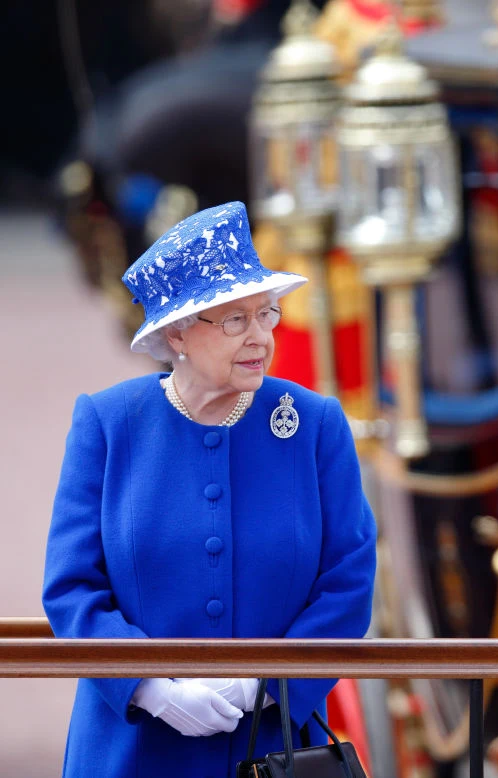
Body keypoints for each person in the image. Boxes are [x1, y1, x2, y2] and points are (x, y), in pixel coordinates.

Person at [42, 201, 377, 777]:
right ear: (177, 332)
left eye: (266, 314)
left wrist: (265, 685)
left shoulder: (315, 424)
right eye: (234, 320)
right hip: (132, 750)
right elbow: (72, 589)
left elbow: (348, 581)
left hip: (273, 749)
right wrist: (149, 686)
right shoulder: (107, 424)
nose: (260, 338)